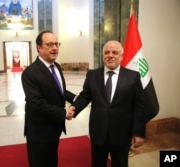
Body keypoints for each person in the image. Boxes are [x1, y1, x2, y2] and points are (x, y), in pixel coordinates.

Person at [70, 40, 146, 167]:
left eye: (115, 52)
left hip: (122, 134)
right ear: (103, 55)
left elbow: (139, 107)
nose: (110, 55)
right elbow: (85, 96)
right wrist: (74, 108)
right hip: (98, 132)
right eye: (107, 52)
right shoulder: (92, 75)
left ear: (121, 56)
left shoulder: (133, 76)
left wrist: (138, 132)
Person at [21, 30, 75, 167]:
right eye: (50, 44)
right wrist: (63, 113)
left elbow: (58, 90)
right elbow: (36, 103)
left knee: (52, 161)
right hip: (39, 131)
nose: (55, 48)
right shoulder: (30, 73)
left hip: (54, 128)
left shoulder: (56, 66)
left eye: (57, 44)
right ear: (39, 47)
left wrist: (74, 97)